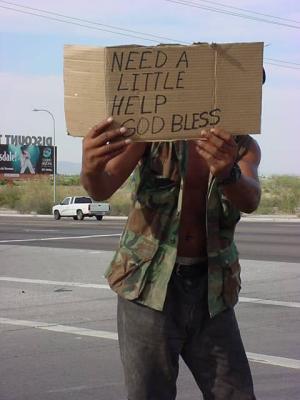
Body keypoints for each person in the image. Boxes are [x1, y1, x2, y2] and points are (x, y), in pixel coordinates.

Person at [81, 117, 261, 400]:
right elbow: (101, 187)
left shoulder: (242, 146)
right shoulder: (153, 133)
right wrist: (90, 167)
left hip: (213, 290)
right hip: (149, 286)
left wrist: (228, 172)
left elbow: (250, 199)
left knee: (236, 393)